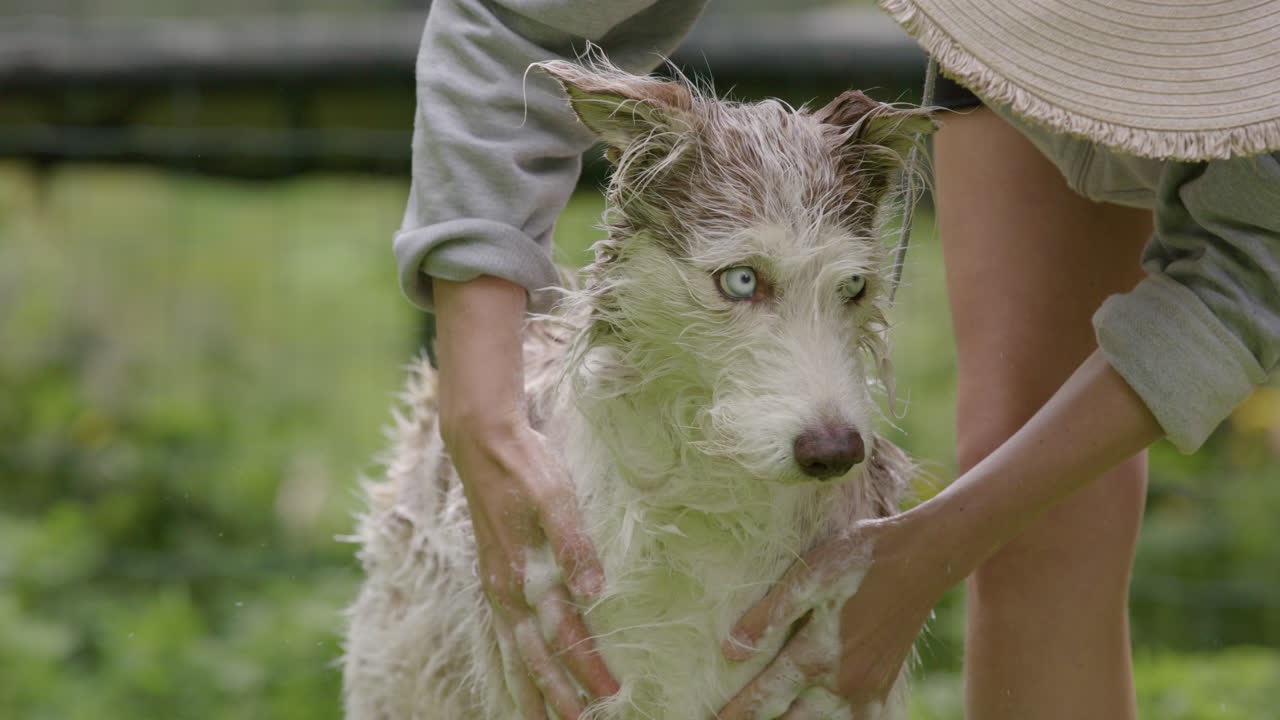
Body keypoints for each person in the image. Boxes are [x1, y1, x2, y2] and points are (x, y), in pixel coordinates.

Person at [396, 0, 1280, 717]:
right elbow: (510, 23)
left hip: (1256, 97)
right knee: (1041, 516)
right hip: (1023, 50)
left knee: (1037, 505)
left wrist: (934, 548)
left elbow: (1252, 280)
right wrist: (480, 409)